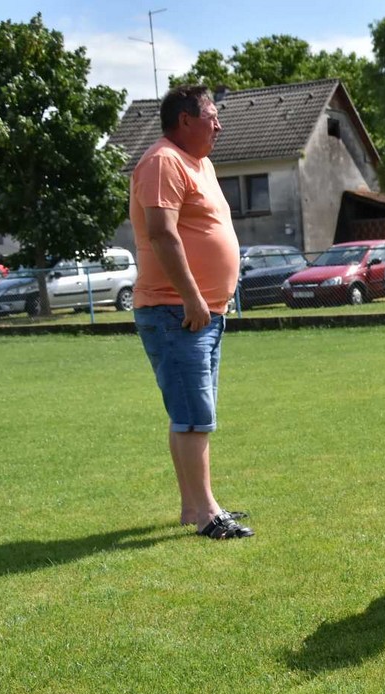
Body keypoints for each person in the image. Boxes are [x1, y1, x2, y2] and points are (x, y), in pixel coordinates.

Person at [129, 85, 253, 540]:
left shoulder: (201, 164)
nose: (219, 125)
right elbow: (162, 234)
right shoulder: (163, 161)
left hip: (202, 313)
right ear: (185, 119)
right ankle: (207, 514)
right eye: (211, 116)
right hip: (176, 312)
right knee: (194, 415)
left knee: (189, 411)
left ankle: (192, 507)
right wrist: (193, 297)